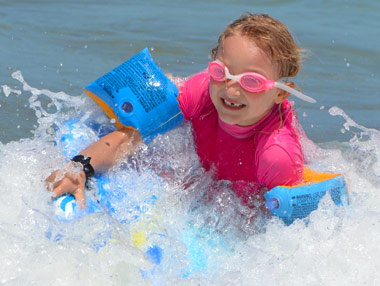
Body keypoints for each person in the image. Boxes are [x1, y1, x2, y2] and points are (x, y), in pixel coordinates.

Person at [46, 13, 313, 208]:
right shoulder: (204, 91)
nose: (231, 90)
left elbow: (280, 230)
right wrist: (79, 168)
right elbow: (129, 137)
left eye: (251, 82)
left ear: (280, 92)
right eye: (222, 72)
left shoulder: (275, 155)